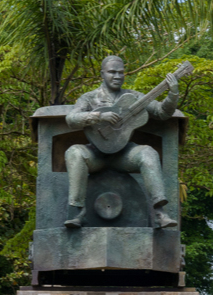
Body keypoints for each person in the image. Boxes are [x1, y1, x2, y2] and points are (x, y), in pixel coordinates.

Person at [63, 55, 179, 229]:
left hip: (123, 155)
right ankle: (77, 213)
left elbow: (162, 112)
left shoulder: (133, 97)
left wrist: (173, 93)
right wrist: (97, 116)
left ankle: (159, 214)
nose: (117, 76)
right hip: (96, 154)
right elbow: (71, 119)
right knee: (74, 152)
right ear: (102, 74)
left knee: (148, 153)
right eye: (112, 72)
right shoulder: (89, 97)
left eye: (121, 72)